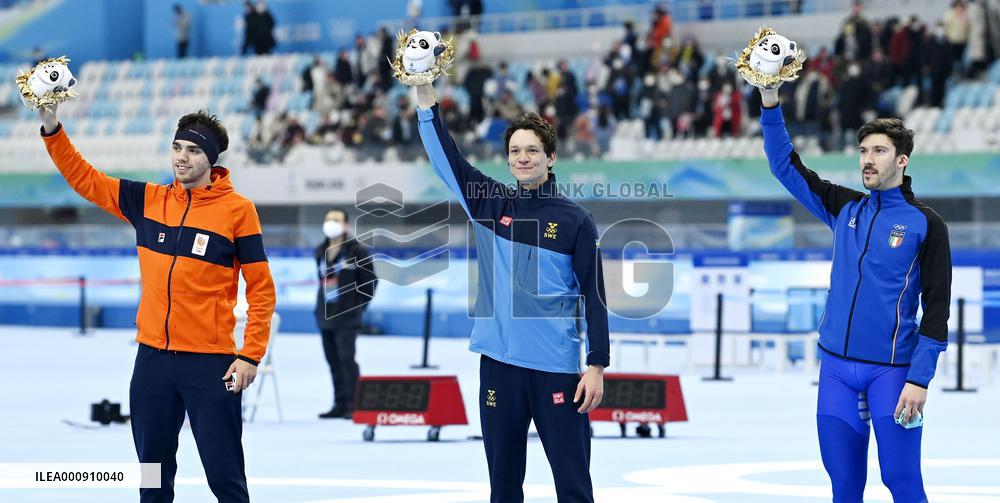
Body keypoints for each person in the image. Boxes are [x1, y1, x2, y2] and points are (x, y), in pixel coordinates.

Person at [37, 105, 276, 502]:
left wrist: (250, 356)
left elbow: (261, 289)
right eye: (177, 147)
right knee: (152, 478)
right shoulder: (145, 199)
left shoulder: (238, 211)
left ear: (211, 159)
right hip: (152, 361)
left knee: (226, 477)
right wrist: (51, 126)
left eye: (194, 151)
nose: (182, 157)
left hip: (211, 362)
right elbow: (83, 177)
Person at [415, 82, 609, 502]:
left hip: (555, 369)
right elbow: (446, 159)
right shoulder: (490, 203)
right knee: (503, 487)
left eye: (533, 150)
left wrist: (596, 365)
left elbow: (595, 297)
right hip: (499, 367)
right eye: (516, 151)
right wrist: (424, 94)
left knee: (573, 485)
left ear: (551, 158)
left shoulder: (576, 221)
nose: (522, 157)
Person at [758, 83, 951, 502]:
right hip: (836, 372)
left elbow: (937, 309)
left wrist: (920, 378)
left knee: (902, 481)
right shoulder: (845, 207)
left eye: (878, 151)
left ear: (901, 160)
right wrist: (770, 101)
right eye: (863, 151)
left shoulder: (926, 224)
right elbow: (784, 165)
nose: (867, 159)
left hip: (894, 374)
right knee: (844, 485)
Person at [315, 210, 378, 419]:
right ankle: (340, 403)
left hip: (348, 316)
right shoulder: (320, 251)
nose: (331, 223)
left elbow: (370, 281)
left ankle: (355, 403)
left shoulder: (357, 251)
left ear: (345, 225)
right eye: (328, 219)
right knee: (332, 361)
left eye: (336, 220)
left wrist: (359, 306)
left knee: (347, 360)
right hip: (326, 315)